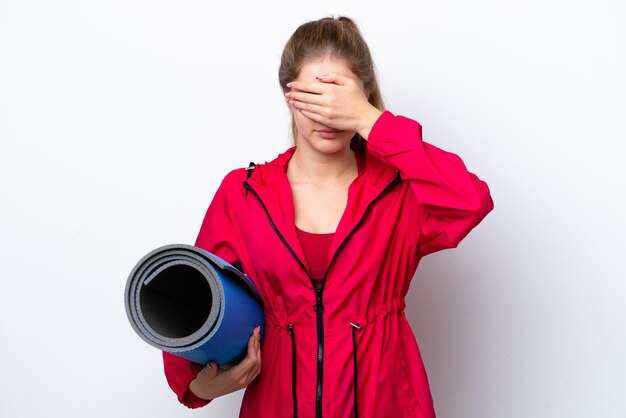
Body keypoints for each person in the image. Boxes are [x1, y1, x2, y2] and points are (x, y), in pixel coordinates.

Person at [162, 15, 493, 418]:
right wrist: (198, 384)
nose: (327, 113)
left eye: (340, 98)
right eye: (313, 97)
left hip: (386, 402)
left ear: (363, 97)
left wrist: (370, 120)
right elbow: (191, 301)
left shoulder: (399, 191)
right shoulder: (244, 194)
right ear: (288, 95)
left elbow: (470, 202)